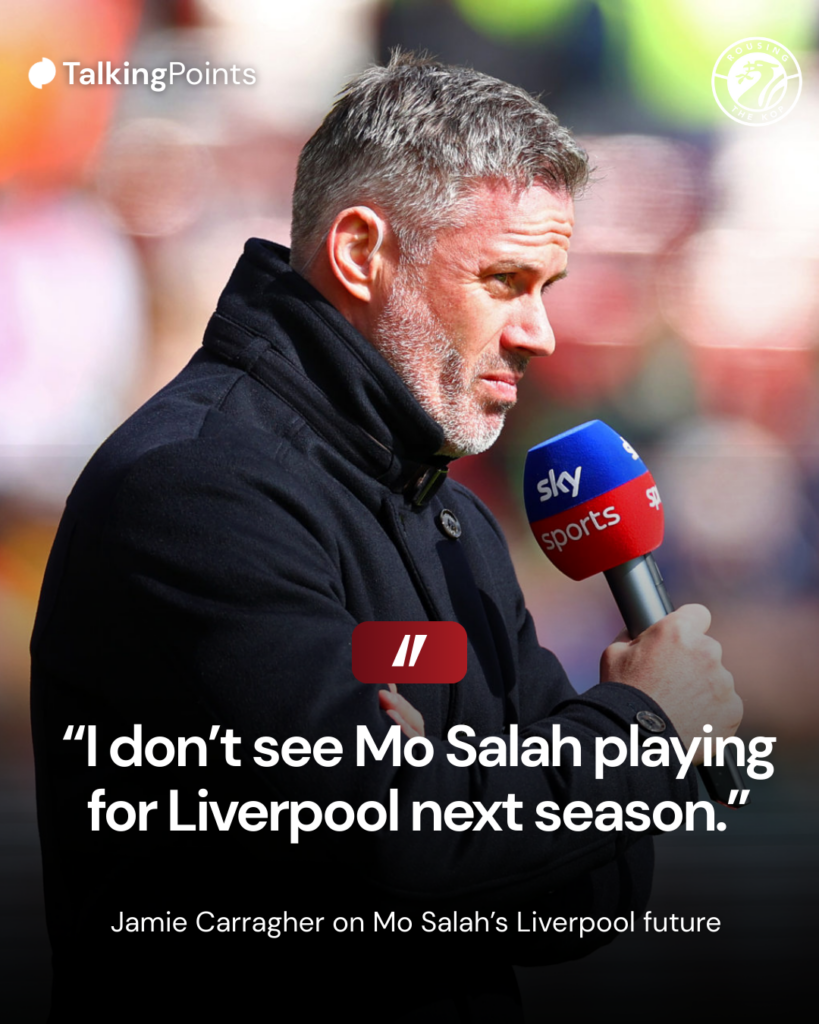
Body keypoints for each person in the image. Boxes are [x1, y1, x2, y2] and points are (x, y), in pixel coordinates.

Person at [30, 52, 740, 1021]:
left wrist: (480, 794)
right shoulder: (194, 489)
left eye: (549, 284)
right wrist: (638, 729)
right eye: (504, 279)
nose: (541, 332)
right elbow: (390, 846)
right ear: (362, 252)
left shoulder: (450, 516)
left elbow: (573, 902)